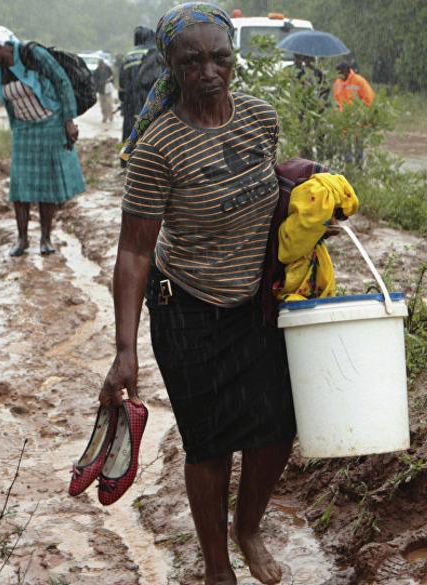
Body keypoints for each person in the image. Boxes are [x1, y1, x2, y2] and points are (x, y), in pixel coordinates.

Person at [103, 4, 293, 584]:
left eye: (220, 57)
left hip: (256, 304)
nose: (209, 71)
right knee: (209, 446)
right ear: (171, 65)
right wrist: (125, 348)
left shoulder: (260, 118)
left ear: (234, 58)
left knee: (278, 429)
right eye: (192, 61)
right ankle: (216, 567)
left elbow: (268, 190)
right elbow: (134, 252)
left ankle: (249, 528)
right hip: (186, 309)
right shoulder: (159, 147)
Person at [0, 23, 85, 257]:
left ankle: (45, 238)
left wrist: (68, 121)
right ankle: (22, 239)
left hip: (50, 124)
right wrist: (15, 129)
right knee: (20, 186)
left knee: (47, 186)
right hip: (24, 129)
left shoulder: (31, 54)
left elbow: (62, 81)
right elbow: (8, 102)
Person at [118, 26, 156, 144]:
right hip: (151, 101)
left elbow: (121, 85)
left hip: (130, 103)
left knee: (130, 137)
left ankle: (128, 159)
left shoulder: (128, 55)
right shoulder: (155, 53)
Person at [93, 58, 115, 124]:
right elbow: (94, 80)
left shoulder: (108, 68)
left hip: (108, 90)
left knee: (109, 104)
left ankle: (111, 117)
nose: (102, 65)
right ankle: (104, 117)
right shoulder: (96, 71)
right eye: (100, 64)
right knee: (102, 105)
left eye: (102, 64)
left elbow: (112, 76)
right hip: (101, 90)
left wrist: (109, 80)